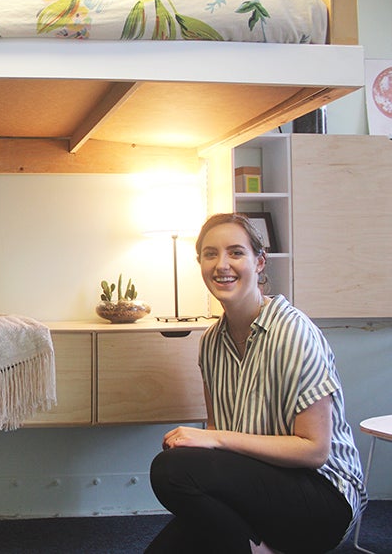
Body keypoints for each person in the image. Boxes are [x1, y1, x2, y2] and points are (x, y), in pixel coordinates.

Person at [146, 213, 366, 554]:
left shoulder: (293, 331)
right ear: (200, 263)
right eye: (210, 254)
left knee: (170, 470)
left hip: (322, 498)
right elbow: (216, 442)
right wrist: (211, 439)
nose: (222, 265)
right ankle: (255, 546)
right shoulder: (211, 343)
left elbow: (314, 450)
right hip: (256, 486)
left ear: (259, 262)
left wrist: (213, 437)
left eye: (236, 253)